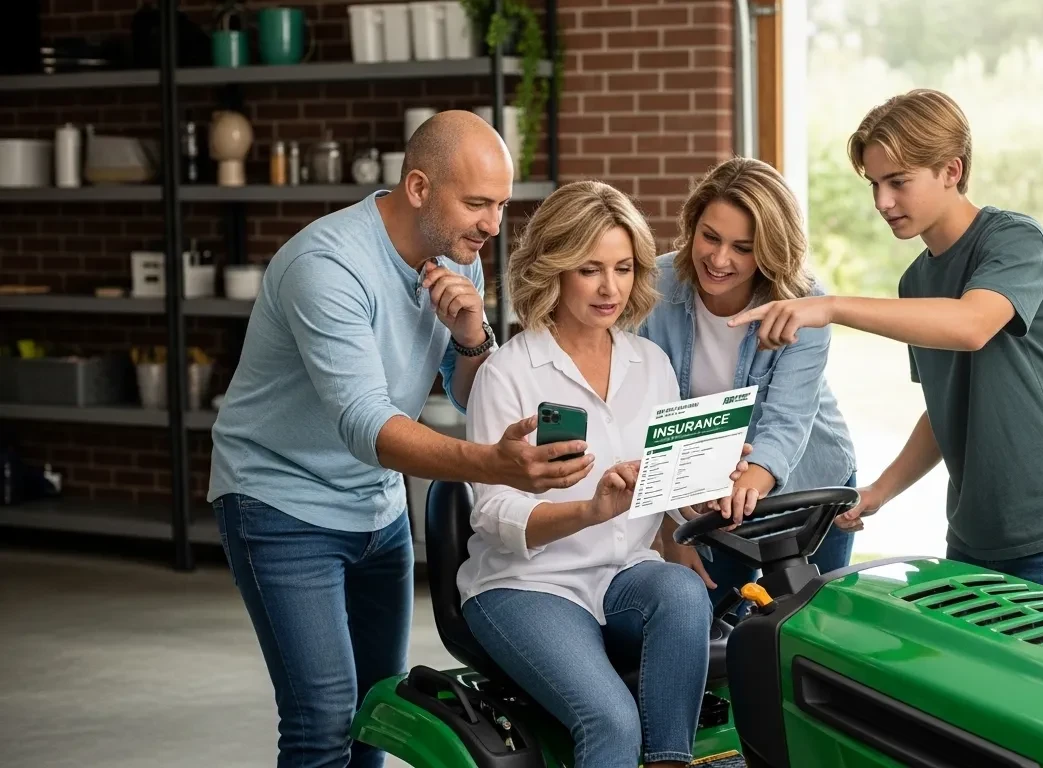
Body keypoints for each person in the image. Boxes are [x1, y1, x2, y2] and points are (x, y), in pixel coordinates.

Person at [207, 111, 595, 768]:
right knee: (323, 716)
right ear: (418, 187)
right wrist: (496, 467)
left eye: (501, 204)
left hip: (376, 508)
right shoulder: (327, 266)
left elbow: (473, 396)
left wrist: (473, 336)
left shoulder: (457, 262)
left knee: (375, 710)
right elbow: (366, 426)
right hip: (279, 503)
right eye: (477, 203)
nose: (493, 225)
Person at [730, 89, 1043, 605]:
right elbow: (946, 411)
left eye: (898, 182)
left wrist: (830, 307)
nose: (881, 202)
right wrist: (880, 491)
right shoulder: (917, 281)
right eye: (874, 184)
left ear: (951, 170)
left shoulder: (1016, 243)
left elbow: (972, 324)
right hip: (974, 533)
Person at [457, 180, 749, 768]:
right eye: (590, 269)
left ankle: (670, 760)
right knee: (610, 721)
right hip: (526, 585)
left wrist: (701, 490)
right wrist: (591, 511)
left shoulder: (652, 364)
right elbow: (492, 517)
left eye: (622, 267)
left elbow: (666, 492)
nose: (610, 287)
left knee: (682, 589)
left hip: (623, 574)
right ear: (555, 270)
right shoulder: (508, 374)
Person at [639, 156, 858, 603]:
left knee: (814, 630)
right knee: (714, 621)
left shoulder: (803, 304)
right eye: (710, 237)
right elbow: (643, 418)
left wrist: (746, 487)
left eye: (742, 247)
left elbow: (787, 423)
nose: (719, 259)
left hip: (807, 486)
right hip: (705, 496)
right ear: (692, 226)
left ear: (770, 249)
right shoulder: (653, 288)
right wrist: (669, 528)